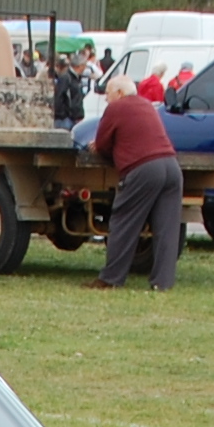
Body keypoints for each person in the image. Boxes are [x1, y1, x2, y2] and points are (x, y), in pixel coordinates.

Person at [86, 72, 182, 294]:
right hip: (171, 166)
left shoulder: (116, 108)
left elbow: (102, 143)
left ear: (120, 93)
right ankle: (162, 282)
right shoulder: (147, 105)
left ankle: (111, 278)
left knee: (124, 221)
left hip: (144, 168)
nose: (106, 99)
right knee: (167, 228)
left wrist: (98, 147)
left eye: (108, 93)